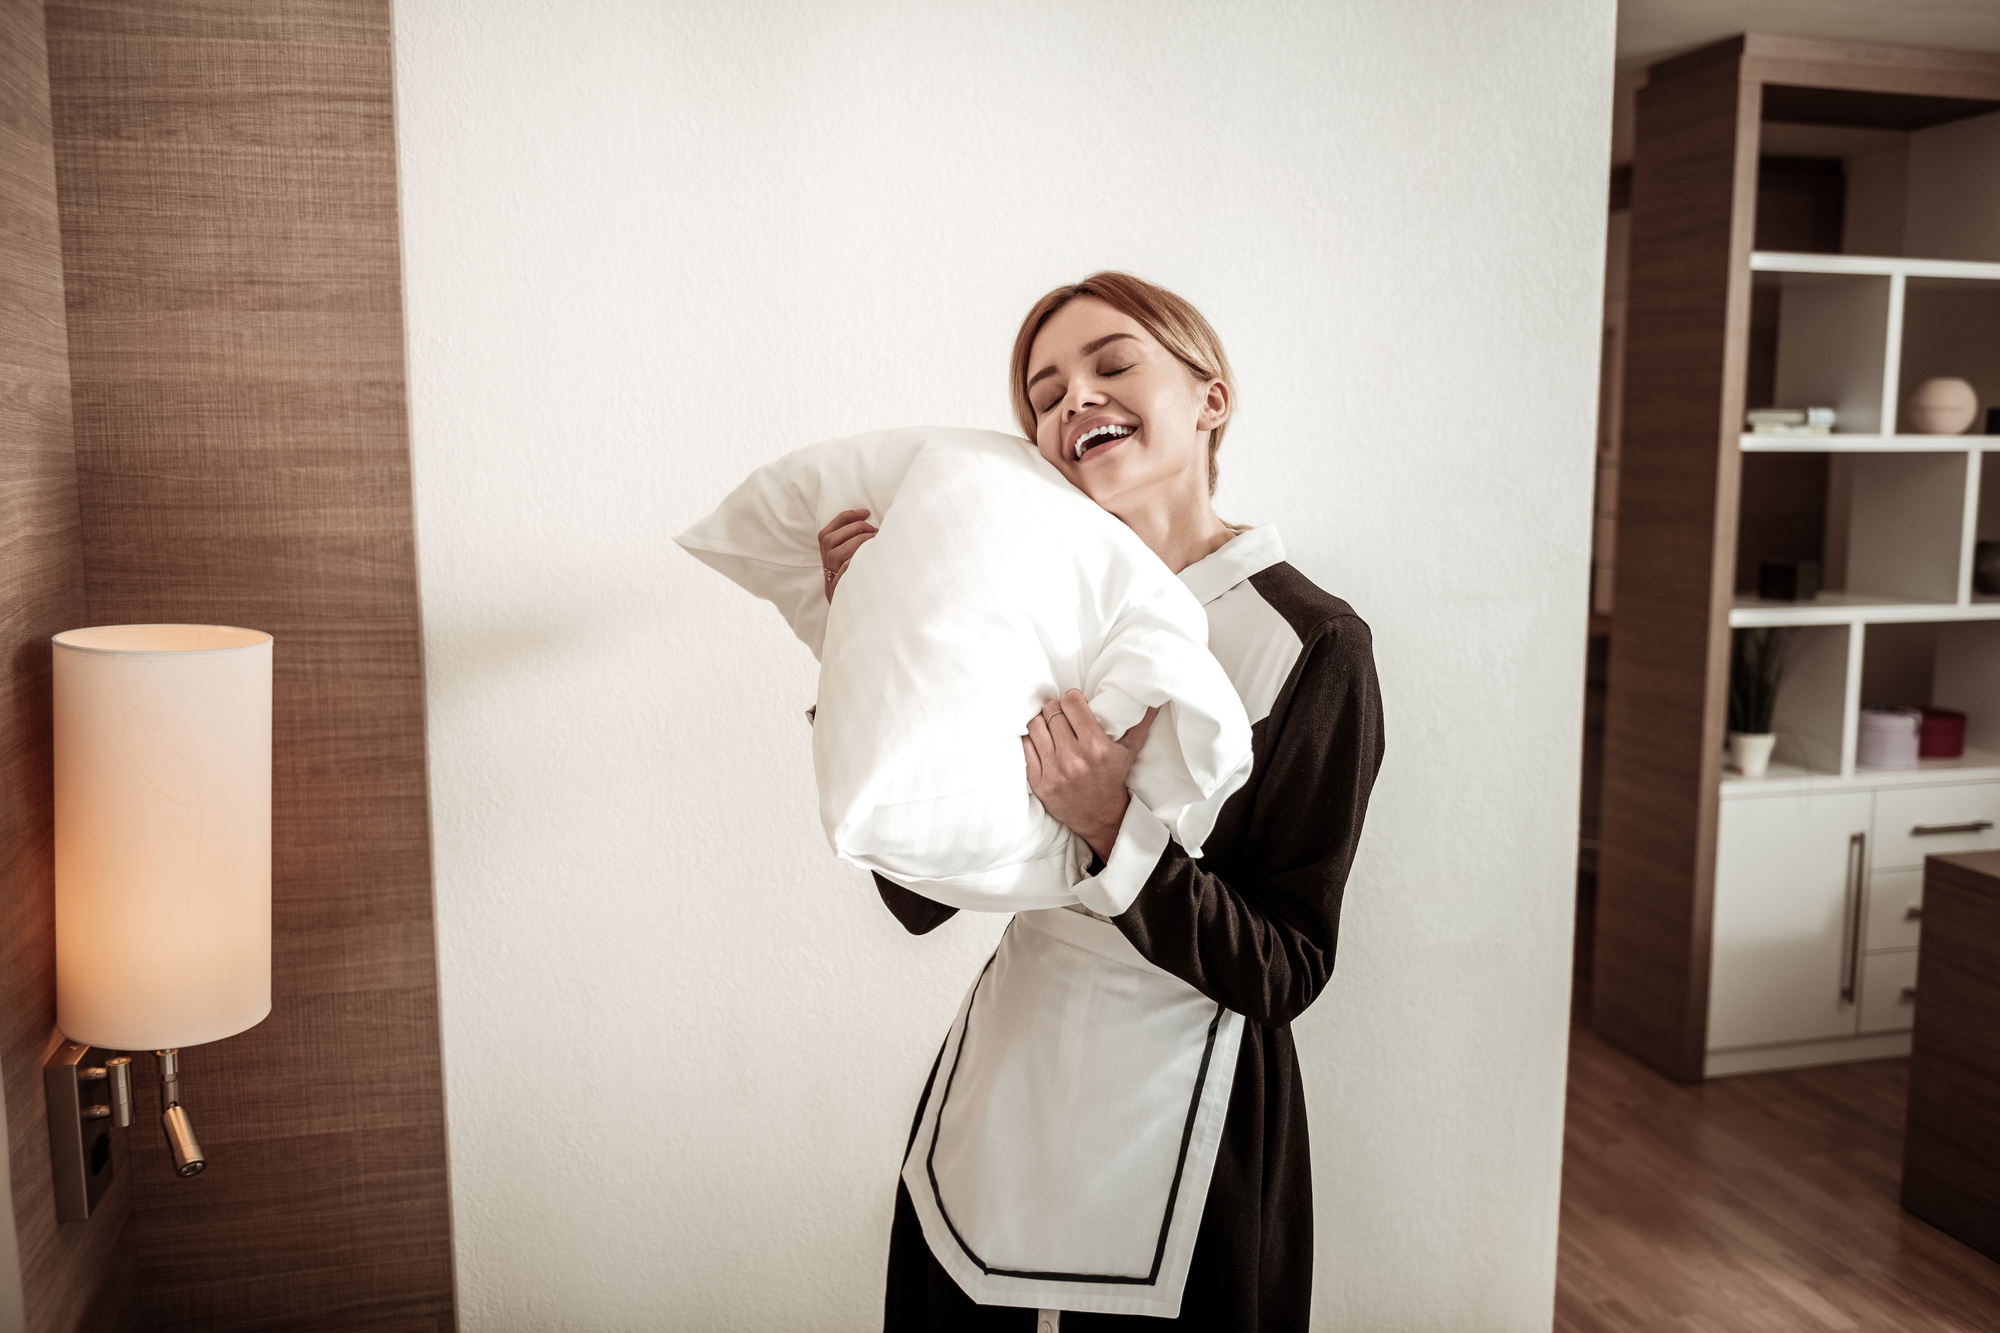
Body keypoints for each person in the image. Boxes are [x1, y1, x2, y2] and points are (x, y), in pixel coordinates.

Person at [818, 272, 1384, 1332]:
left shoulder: (1310, 643)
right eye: (1041, 392)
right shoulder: (1017, 605)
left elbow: (1286, 963)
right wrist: (861, 636)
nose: (1070, 398)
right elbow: (918, 899)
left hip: (1193, 1146)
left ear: (1209, 399)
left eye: (1111, 364)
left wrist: (1109, 825)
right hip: (991, 1114)